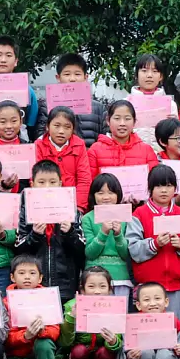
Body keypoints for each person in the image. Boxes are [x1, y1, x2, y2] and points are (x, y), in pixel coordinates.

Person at [129, 163, 180, 320]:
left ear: (175, 189)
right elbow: (133, 248)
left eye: (169, 186)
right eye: (158, 186)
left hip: (178, 286)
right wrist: (154, 244)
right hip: (149, 288)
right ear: (150, 189)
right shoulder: (140, 214)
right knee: (151, 333)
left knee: (177, 332)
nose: (164, 191)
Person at [12, 160, 83, 293]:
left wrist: (69, 233)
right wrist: (35, 235)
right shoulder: (25, 213)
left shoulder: (71, 212)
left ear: (60, 184)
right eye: (41, 182)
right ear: (32, 184)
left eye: (52, 182)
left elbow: (81, 250)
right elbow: (18, 250)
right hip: (34, 285)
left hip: (65, 285)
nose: (47, 186)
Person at [3, 255, 62, 359]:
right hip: (17, 354)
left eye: (32, 273)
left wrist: (41, 332)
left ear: (40, 278)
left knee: (45, 343)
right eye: (21, 273)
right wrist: (25, 336)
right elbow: (5, 337)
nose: (27, 277)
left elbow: (55, 330)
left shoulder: (48, 298)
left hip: (40, 352)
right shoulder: (5, 302)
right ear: (12, 277)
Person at [60, 266, 123, 359]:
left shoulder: (115, 307)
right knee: (79, 351)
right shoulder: (71, 306)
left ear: (109, 289)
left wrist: (113, 341)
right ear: (82, 289)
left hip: (100, 357)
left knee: (106, 352)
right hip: (77, 358)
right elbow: (64, 343)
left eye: (102, 286)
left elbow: (118, 344)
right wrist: (71, 318)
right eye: (91, 286)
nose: (97, 291)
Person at [79, 173, 136, 307]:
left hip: (120, 277)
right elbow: (90, 253)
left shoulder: (126, 217)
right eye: (100, 193)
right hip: (94, 279)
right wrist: (103, 233)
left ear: (118, 195)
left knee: (119, 319)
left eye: (111, 192)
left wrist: (118, 235)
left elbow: (125, 254)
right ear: (93, 195)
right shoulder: (88, 218)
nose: (106, 197)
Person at [34, 107, 94, 206]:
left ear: (73, 129)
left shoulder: (79, 145)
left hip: (72, 202)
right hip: (45, 203)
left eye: (67, 127)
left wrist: (78, 207)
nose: (61, 131)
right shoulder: (38, 145)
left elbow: (84, 179)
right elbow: (35, 179)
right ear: (47, 127)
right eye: (56, 126)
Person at [89, 100, 157, 182]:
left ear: (134, 122)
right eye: (117, 118)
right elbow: (90, 182)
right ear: (108, 120)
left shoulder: (146, 150)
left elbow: (154, 182)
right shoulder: (95, 150)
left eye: (127, 119)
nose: (122, 123)